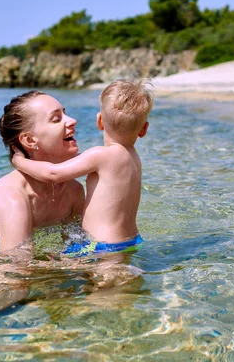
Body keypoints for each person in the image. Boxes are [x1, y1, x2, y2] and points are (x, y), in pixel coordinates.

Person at [12, 79, 153, 257]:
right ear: (144, 129)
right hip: (131, 240)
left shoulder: (100, 155)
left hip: (102, 246)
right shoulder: (132, 157)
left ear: (100, 121)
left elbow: (53, 173)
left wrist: (19, 161)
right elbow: (80, 163)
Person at [0, 90, 85, 254]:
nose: (73, 121)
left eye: (65, 114)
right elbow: (18, 271)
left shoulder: (74, 192)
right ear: (29, 140)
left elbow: (75, 248)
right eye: (56, 119)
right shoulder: (13, 200)